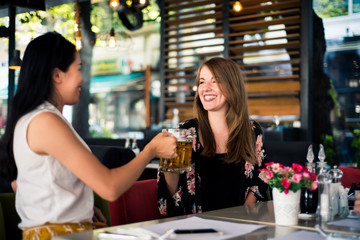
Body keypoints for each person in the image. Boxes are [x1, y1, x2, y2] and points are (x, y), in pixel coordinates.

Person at [0, 32, 177, 240]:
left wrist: (82, 209)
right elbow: (110, 188)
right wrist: (151, 151)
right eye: (79, 69)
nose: (83, 78)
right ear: (57, 75)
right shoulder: (45, 121)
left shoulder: (42, 118)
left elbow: (32, 184)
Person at [157, 57, 269, 217]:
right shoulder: (183, 132)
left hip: (240, 228)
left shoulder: (251, 131)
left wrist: (243, 219)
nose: (205, 88)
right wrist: (171, 166)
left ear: (233, 86)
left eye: (215, 81)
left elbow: (261, 180)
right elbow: (169, 197)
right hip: (194, 229)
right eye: (202, 82)